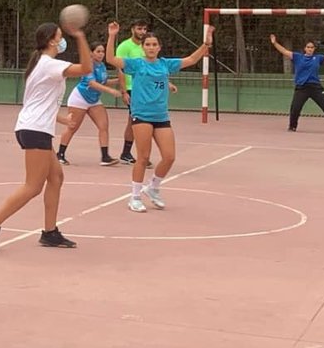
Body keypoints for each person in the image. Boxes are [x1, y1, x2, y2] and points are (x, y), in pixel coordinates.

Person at [0, 19, 93, 251]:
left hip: (35, 127)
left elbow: (38, 102)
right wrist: (80, 37)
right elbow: (86, 69)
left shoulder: (40, 63)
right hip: (35, 130)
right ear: (51, 41)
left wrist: (62, 119)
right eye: (60, 37)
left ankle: (50, 233)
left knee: (56, 178)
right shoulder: (49, 64)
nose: (62, 41)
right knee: (33, 186)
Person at [106, 20, 213, 213]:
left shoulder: (165, 64)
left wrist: (206, 45)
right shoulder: (136, 64)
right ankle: (135, 197)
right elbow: (112, 60)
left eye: (154, 44)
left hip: (161, 116)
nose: (151, 47)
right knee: (143, 157)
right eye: (148, 44)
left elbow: (191, 60)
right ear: (143, 47)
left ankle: (153, 188)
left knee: (169, 157)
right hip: (142, 115)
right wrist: (112, 35)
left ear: (159, 47)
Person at [56, 41, 124, 166]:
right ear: (91, 53)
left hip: (94, 100)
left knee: (103, 126)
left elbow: (103, 81)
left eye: (102, 51)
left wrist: (118, 80)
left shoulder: (102, 66)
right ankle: (60, 154)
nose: (101, 54)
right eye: (98, 51)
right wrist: (110, 91)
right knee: (72, 127)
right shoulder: (88, 66)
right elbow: (92, 83)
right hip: (80, 98)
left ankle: (105, 156)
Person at [270, 34, 324, 133]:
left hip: (316, 88)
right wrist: (274, 43)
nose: (310, 49)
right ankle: (292, 126)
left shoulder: (318, 58)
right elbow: (284, 51)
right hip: (302, 88)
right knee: (295, 108)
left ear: (314, 49)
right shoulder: (298, 57)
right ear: (305, 48)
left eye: (312, 47)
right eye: (308, 47)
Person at [114, 20, 148, 164]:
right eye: (139, 28)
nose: (142, 32)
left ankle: (126, 153)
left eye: (144, 29)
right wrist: (123, 91)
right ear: (132, 29)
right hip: (131, 88)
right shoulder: (124, 47)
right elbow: (120, 70)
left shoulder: (146, 45)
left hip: (145, 88)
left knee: (134, 121)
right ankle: (139, 155)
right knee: (140, 121)